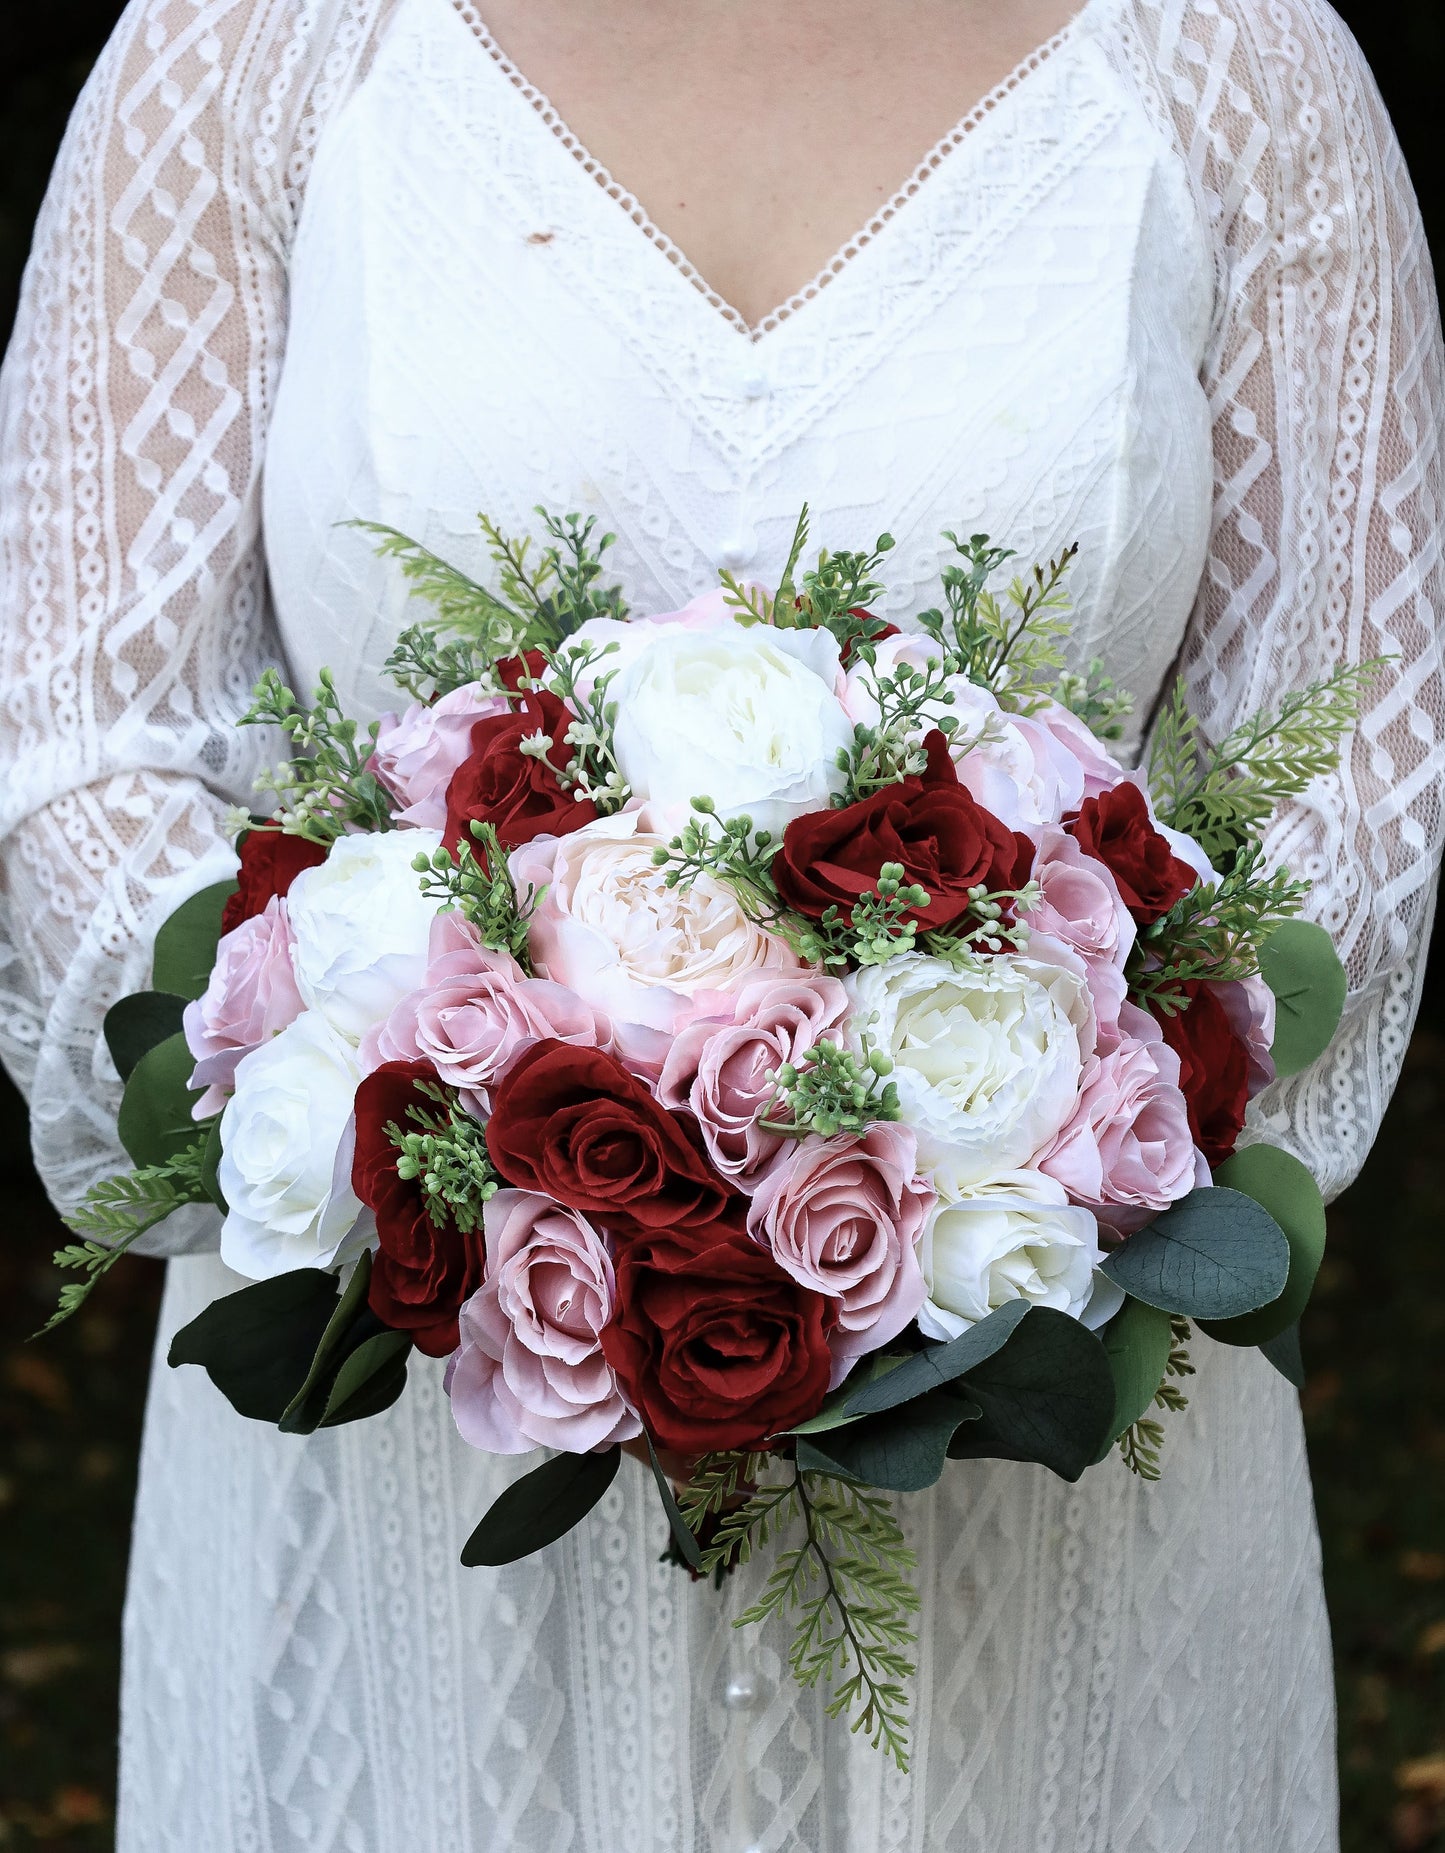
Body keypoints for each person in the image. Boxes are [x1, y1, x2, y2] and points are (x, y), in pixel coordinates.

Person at [1, 0, 1441, 1844]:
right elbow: (84, 755)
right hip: (414, 1486)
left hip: (1040, 1510)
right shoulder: (244, 49)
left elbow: (1339, 820)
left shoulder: (1237, 63)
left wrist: (920, 1198)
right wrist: (488, 1169)